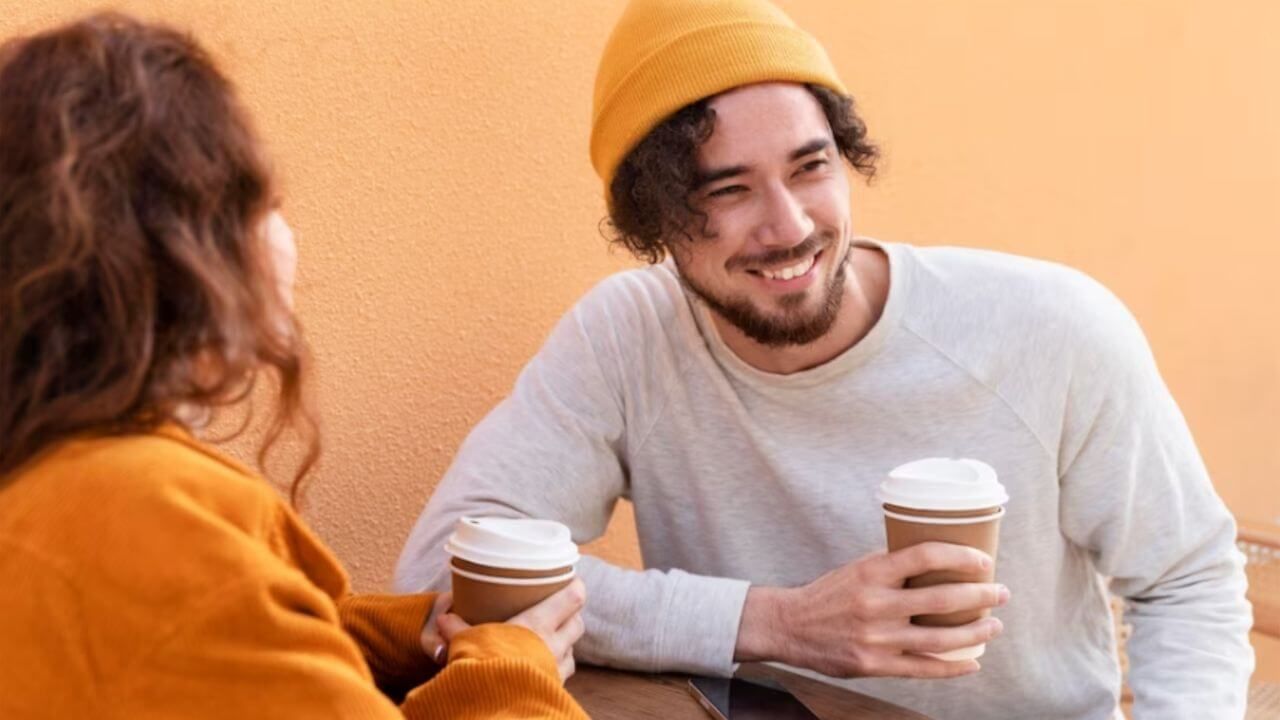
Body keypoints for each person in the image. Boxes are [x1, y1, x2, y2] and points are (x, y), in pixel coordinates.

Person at [395, 0, 1254, 717]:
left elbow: (1188, 583)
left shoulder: (1052, 330)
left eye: (811, 168)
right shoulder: (628, 338)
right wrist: (773, 623)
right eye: (726, 191)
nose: (790, 226)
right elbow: (447, 570)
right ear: (652, 223)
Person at [0, 13, 588, 720]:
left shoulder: (50, 472)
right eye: (266, 202)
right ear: (189, 250)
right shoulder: (142, 511)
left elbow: (203, 664)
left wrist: (386, 633)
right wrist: (514, 674)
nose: (288, 234)